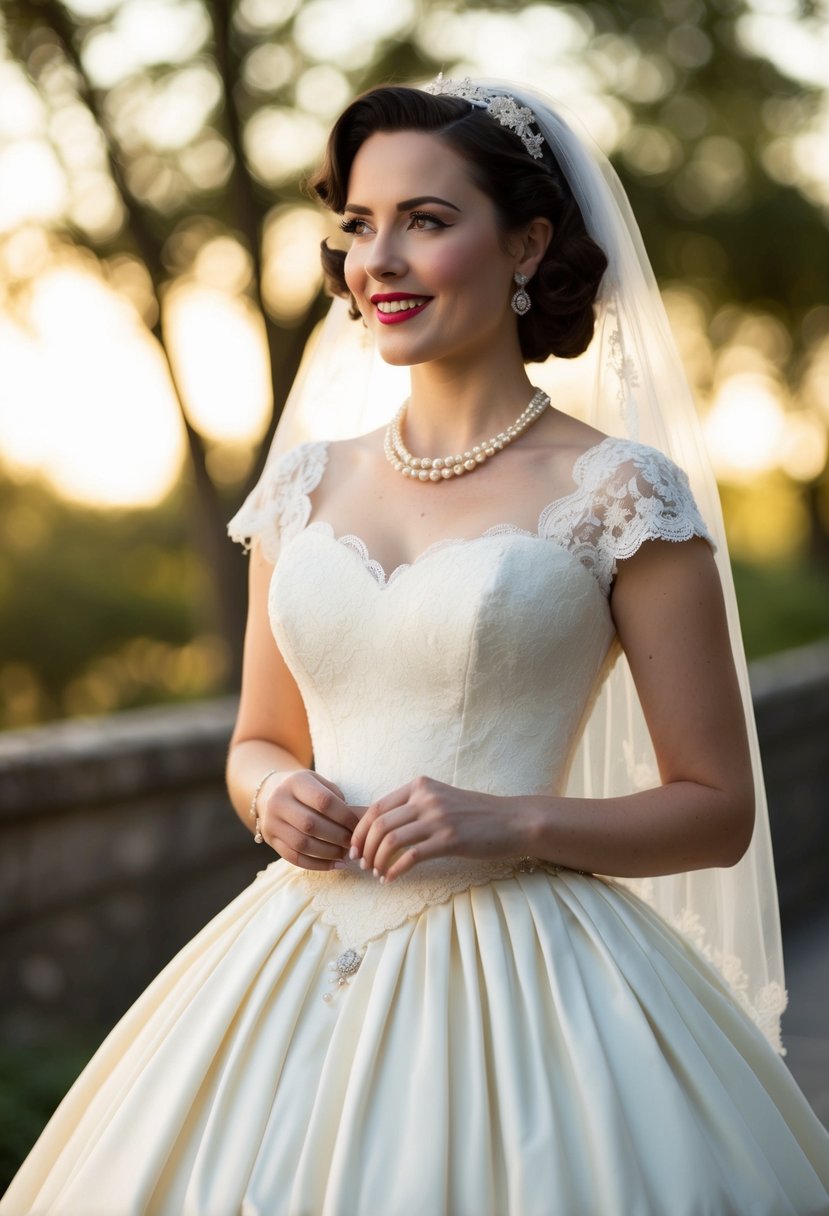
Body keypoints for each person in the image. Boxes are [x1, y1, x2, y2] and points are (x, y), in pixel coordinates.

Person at [3, 76, 828, 1216]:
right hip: (289, 952)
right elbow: (255, 737)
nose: (376, 260)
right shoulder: (299, 485)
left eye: (425, 221)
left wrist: (515, 820)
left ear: (528, 242)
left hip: (531, 982)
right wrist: (273, 792)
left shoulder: (622, 493)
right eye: (357, 225)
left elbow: (716, 806)